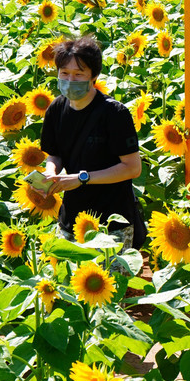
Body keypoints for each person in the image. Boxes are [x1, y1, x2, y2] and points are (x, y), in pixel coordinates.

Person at [40, 35, 144, 253]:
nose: (70, 80)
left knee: (110, 285)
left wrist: (82, 178)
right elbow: (54, 154)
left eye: (79, 75)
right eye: (64, 73)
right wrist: (50, 174)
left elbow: (132, 168)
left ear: (94, 76)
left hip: (112, 224)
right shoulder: (57, 108)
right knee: (68, 283)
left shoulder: (114, 113)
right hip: (71, 220)